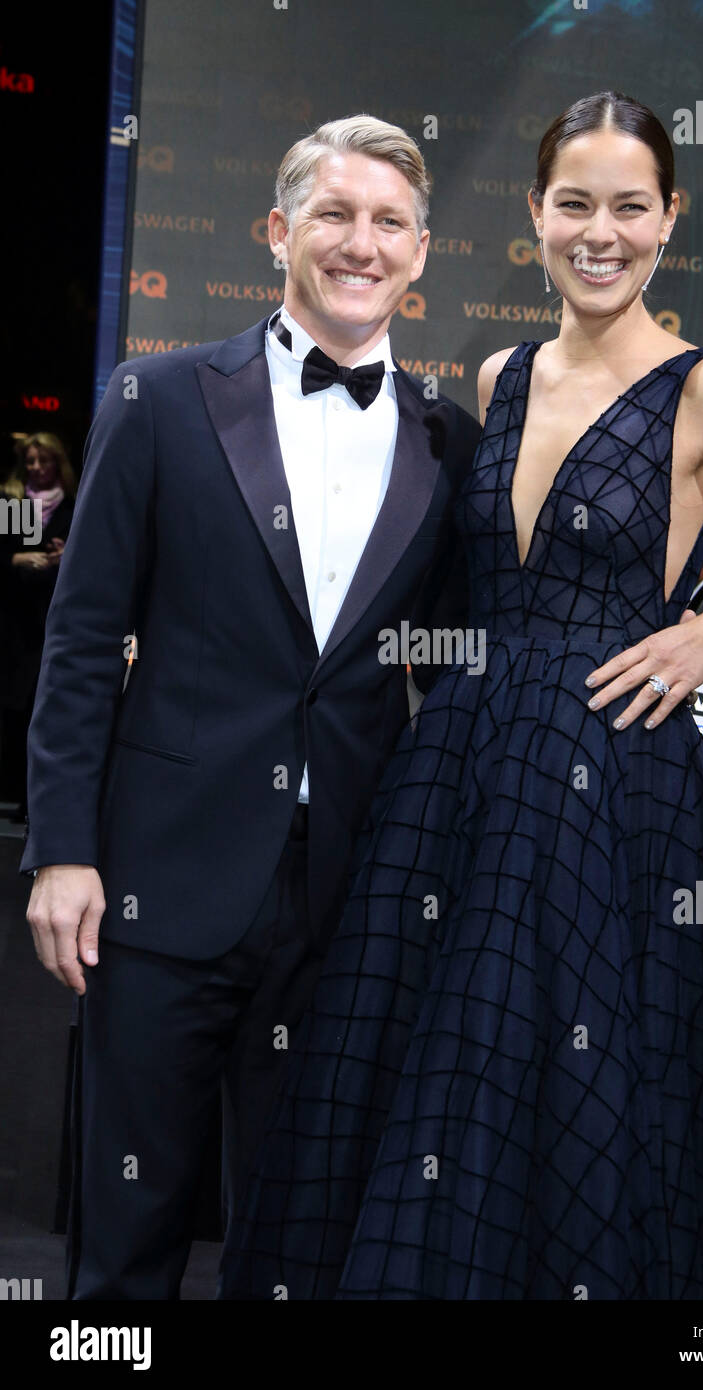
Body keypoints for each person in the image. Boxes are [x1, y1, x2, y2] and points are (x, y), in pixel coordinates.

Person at [219, 90, 703, 1300]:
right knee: (441, 1085)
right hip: (455, 776)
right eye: (575, 203)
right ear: (535, 214)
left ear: (670, 219)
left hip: (610, 786)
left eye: (630, 206)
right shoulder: (501, 371)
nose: (599, 232)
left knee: (579, 1095)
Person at [20, 115, 481, 1300]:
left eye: (389, 224)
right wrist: (62, 850)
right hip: (160, 882)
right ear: (279, 230)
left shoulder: (450, 441)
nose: (359, 244)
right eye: (334, 214)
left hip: (346, 904)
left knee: (296, 1249)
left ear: (423, 254)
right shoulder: (162, 397)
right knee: (126, 1242)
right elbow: (79, 640)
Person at [0, 433, 76, 820]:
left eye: (42, 461)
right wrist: (18, 559)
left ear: (56, 463)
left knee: (42, 710)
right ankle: (13, 794)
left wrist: (70, 557)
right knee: (13, 709)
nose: (35, 468)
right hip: (17, 624)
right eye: (29, 462)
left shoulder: (75, 504)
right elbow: (13, 557)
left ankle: (34, 802)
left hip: (55, 622)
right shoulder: (17, 503)